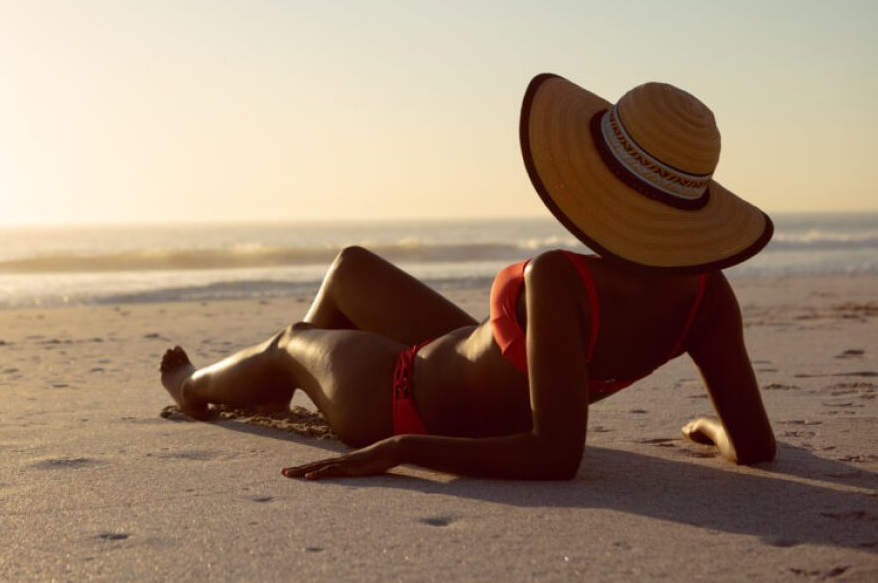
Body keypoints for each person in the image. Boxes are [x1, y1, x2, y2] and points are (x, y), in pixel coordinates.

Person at [159, 73, 777, 480]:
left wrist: (405, 449)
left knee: (290, 338)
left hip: (398, 402)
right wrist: (710, 428)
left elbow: (557, 455)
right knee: (352, 267)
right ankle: (284, 389)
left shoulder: (562, 279)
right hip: (474, 375)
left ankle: (199, 387)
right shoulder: (709, 298)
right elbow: (755, 447)